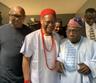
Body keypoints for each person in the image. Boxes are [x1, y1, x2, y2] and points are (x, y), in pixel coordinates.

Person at [20, 8, 61, 83]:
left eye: (53, 22)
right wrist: (27, 79)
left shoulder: (57, 37)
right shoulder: (31, 37)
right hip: (37, 79)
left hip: (54, 78)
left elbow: (59, 56)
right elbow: (26, 59)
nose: (51, 25)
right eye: (48, 22)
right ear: (41, 21)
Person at [57, 17, 96, 83]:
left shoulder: (92, 44)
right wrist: (58, 62)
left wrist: (90, 66)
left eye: (74, 30)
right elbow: (59, 57)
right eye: (69, 30)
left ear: (80, 31)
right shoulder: (62, 44)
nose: (71, 34)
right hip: (66, 79)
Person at [0, 6, 32, 83]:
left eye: (18, 16)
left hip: (22, 78)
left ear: (24, 17)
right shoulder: (1, 30)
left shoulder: (30, 33)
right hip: (4, 78)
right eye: (12, 15)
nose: (14, 18)